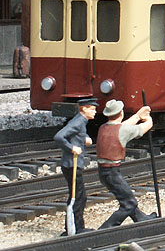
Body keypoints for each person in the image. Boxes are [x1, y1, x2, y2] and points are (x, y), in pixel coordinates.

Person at [96, 99, 157, 228]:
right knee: (130, 203)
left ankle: (141, 219)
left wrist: (139, 115)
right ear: (121, 113)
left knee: (126, 197)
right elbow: (142, 128)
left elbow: (123, 126)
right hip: (112, 172)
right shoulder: (122, 130)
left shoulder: (104, 127)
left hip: (104, 172)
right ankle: (107, 228)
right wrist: (148, 119)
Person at [53, 97, 97, 235]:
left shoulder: (80, 121)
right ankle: (75, 229)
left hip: (73, 163)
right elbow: (59, 137)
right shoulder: (79, 121)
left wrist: (84, 139)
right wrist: (71, 148)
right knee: (78, 197)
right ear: (84, 108)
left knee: (78, 196)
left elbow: (75, 134)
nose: (95, 112)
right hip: (72, 164)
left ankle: (74, 227)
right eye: (93, 109)